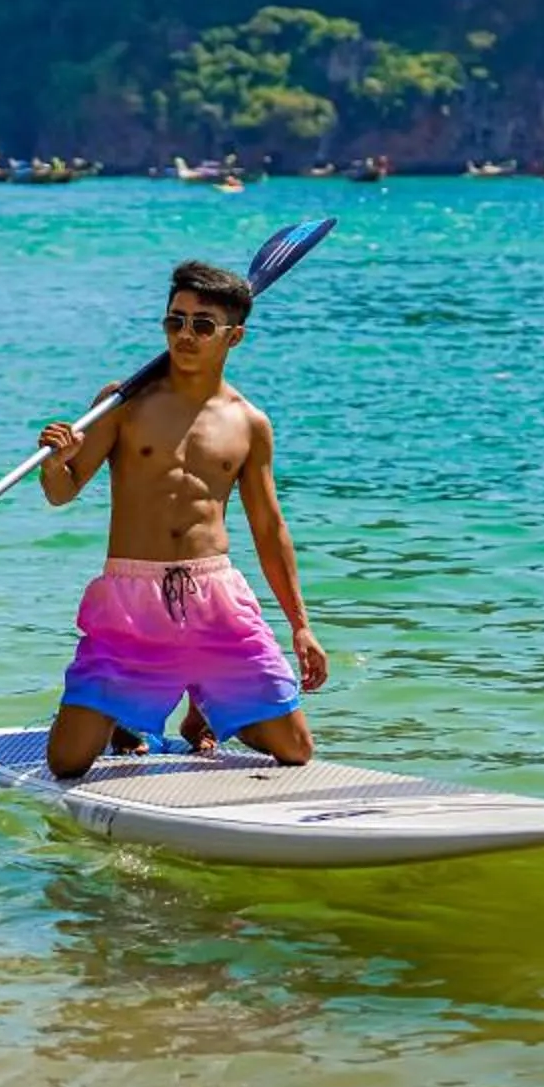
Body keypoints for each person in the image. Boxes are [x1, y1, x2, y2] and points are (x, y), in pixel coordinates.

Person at [32, 259, 327, 779]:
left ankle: (206, 709)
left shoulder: (249, 423)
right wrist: (56, 464)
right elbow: (63, 492)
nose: (185, 335)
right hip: (132, 604)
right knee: (67, 761)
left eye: (202, 325)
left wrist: (301, 626)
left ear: (233, 338)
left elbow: (268, 527)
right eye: (175, 321)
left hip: (216, 604)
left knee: (296, 750)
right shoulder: (122, 403)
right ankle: (127, 716)